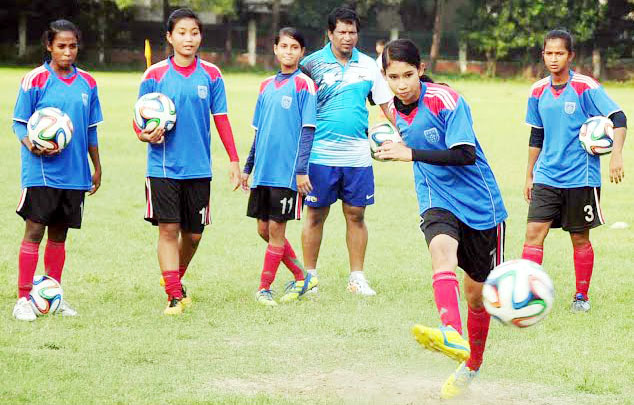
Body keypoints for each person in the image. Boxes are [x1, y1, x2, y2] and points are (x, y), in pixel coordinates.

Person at [375, 39, 507, 399]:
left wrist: (408, 153)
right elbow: (373, 99)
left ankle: (472, 365)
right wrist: (385, 145)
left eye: (407, 75)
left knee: (476, 296)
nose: (401, 84)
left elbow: (464, 154)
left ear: (421, 69)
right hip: (437, 199)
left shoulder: (446, 100)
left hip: (482, 205)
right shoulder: (389, 102)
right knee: (441, 252)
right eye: (392, 77)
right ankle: (450, 330)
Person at [135, 8, 241, 315]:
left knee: (194, 234)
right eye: (181, 32)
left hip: (198, 168)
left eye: (194, 32)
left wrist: (234, 160)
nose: (188, 39)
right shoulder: (154, 74)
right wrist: (145, 135)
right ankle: (173, 294)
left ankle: (173, 277)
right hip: (163, 167)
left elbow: (221, 118)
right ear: (169, 37)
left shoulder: (211, 74)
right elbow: (138, 119)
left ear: (200, 36)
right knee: (168, 230)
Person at [521, 29, 627, 312]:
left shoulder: (585, 87)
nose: (554, 59)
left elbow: (619, 117)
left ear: (570, 56)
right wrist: (529, 174)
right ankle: (529, 296)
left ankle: (581, 296)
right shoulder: (538, 91)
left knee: (579, 237)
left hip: (580, 176)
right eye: (549, 53)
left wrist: (616, 154)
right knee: (533, 233)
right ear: (542, 55)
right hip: (546, 175)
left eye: (560, 53)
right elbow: (536, 135)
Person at [11, 19, 103, 321]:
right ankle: (23, 298)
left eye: (72, 46)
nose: (67, 52)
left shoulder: (88, 83)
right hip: (42, 172)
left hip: (75, 174)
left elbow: (90, 130)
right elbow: (19, 122)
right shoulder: (35, 80)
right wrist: (30, 142)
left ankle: (52, 293)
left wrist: (96, 166)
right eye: (61, 46)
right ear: (49, 46)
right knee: (35, 230)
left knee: (60, 235)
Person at [299, 7, 394, 295]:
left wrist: (404, 134)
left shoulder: (368, 66)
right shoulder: (311, 65)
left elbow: (387, 105)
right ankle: (310, 278)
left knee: (356, 215)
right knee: (315, 215)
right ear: (329, 34)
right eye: (341, 31)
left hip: (357, 156)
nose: (347, 37)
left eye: (352, 32)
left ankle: (357, 278)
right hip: (320, 155)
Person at [241, 28, 318, 306]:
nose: (288, 51)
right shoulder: (265, 86)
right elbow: (258, 131)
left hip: (287, 174)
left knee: (276, 231)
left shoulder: (304, 85)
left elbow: (308, 130)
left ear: (302, 52)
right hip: (263, 171)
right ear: (275, 49)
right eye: (283, 46)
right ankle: (301, 275)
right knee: (264, 230)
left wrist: (300, 170)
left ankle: (264, 289)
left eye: (294, 47)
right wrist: (248, 168)